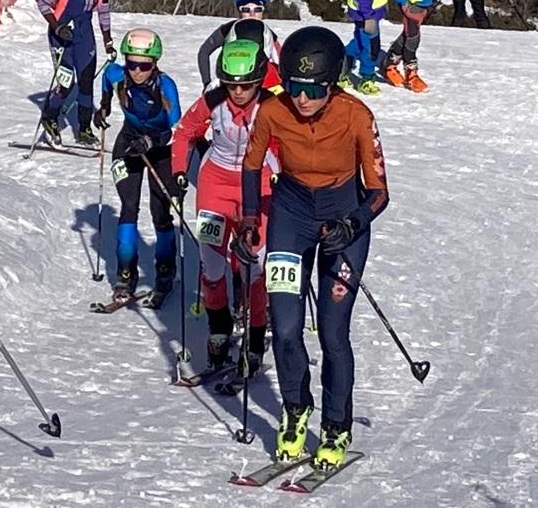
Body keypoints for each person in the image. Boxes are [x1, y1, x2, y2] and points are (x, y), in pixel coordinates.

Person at [237, 26, 389, 471]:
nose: (301, 100)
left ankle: (337, 424)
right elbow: (251, 166)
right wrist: (249, 219)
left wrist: (354, 221)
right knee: (284, 329)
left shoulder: (356, 115)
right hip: (291, 214)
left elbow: (379, 191)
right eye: (294, 88)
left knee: (332, 331)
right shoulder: (272, 110)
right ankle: (295, 409)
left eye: (312, 90)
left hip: (344, 217)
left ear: (332, 84)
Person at [170, 39, 277, 375]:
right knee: (212, 265)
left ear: (259, 79)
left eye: (246, 85)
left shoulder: (272, 105)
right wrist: (177, 172)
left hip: (256, 188)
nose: (239, 92)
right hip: (214, 186)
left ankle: (256, 339)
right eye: (232, 84)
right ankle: (218, 330)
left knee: (253, 268)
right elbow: (185, 131)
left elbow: (289, 145)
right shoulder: (213, 100)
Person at [93, 28, 183, 306]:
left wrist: (152, 140)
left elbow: (177, 128)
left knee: (160, 211)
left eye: (143, 66)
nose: (136, 71)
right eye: (131, 64)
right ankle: (125, 274)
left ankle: (165, 270)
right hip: (129, 142)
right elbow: (107, 79)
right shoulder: (117, 75)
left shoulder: (165, 86)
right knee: (128, 206)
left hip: (160, 149)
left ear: (154, 63)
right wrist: (104, 106)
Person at [38, 0, 114, 146]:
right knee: (66, 82)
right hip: (62, 34)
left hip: (83, 33)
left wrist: (108, 40)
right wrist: (57, 26)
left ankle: (84, 128)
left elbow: (103, 13)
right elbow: (43, 3)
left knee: (86, 81)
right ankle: (50, 117)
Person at [195, 0, 284, 90]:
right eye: (246, 10)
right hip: (231, 86)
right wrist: (207, 83)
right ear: (239, 10)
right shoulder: (227, 30)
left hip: (263, 88)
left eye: (257, 9)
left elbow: (281, 64)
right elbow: (204, 51)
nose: (252, 14)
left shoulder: (268, 34)